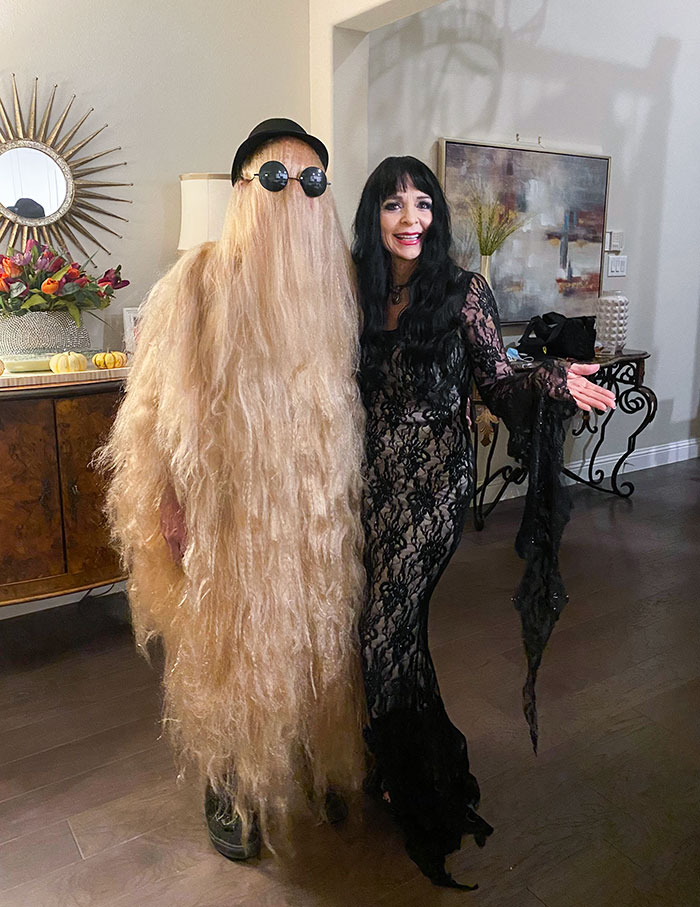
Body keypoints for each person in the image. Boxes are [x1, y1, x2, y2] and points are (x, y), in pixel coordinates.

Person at [101, 119, 366, 861]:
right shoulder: (199, 281)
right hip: (229, 518)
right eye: (275, 178)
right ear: (243, 192)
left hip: (315, 518)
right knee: (229, 657)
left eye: (312, 179)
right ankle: (232, 784)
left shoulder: (338, 285)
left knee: (318, 643)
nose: (296, 192)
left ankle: (316, 759)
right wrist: (169, 504)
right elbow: (153, 415)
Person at [351, 156, 615, 889]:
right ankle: (405, 757)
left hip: (435, 479)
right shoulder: (355, 288)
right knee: (388, 631)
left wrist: (553, 378)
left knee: (383, 623)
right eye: (395, 205)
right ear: (373, 216)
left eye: (424, 205)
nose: (412, 219)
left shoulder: (464, 289)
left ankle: (413, 778)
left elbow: (496, 377)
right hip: (369, 483)